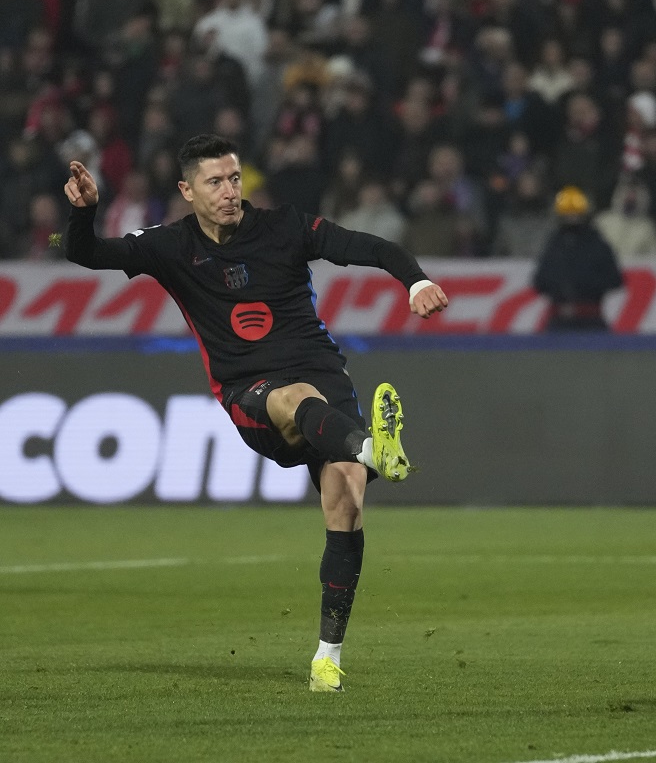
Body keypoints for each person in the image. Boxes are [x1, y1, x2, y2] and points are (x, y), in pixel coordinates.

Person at [62, 134, 450, 694]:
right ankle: (372, 449)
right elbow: (84, 252)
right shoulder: (169, 246)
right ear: (187, 190)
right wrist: (84, 212)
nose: (229, 191)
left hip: (323, 373)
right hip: (252, 390)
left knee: (346, 502)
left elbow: (369, 247)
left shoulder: (285, 226)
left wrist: (415, 279)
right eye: (215, 182)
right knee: (292, 400)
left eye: (235, 178)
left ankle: (327, 657)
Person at [533, 185, 624, 331]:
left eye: (575, 212)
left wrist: (586, 285)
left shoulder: (597, 243)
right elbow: (540, 281)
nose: (572, 216)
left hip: (591, 319)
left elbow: (615, 279)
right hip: (559, 320)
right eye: (568, 213)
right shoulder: (555, 244)